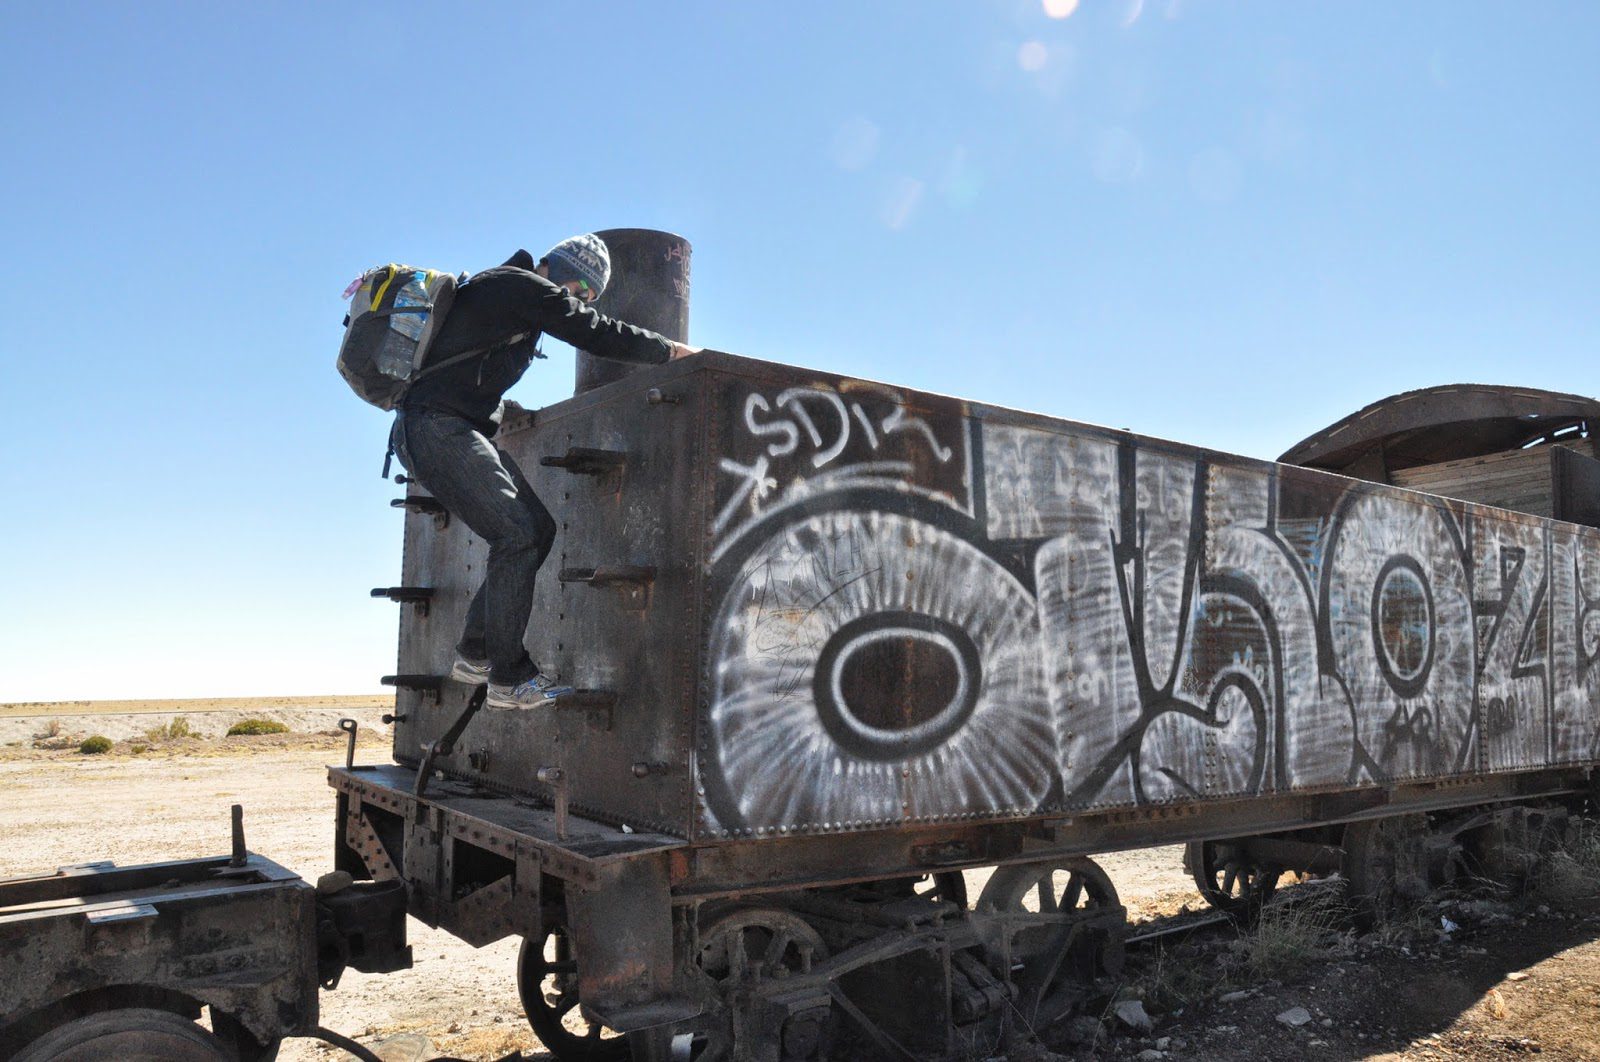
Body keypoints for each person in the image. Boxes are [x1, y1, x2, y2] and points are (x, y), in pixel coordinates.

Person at [391, 234, 694, 709]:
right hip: (435, 429)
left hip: (452, 428)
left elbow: (468, 372)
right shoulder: (520, 285)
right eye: (585, 292)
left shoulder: (508, 299)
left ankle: (475, 652)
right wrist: (670, 351)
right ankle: (509, 677)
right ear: (567, 273)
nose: (584, 301)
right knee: (515, 534)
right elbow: (594, 330)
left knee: (539, 529)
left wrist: (502, 409)